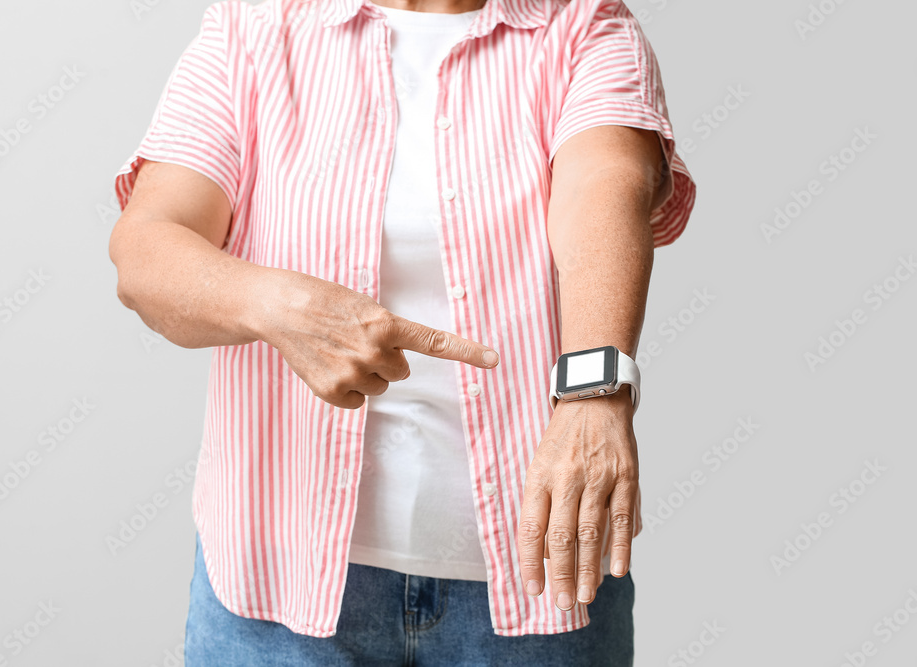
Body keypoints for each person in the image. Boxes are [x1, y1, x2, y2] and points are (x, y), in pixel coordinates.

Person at [108, 0, 695, 663]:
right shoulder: (255, 26)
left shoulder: (584, 25)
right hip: (275, 587)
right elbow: (147, 250)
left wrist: (596, 394)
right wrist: (280, 304)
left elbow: (605, 185)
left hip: (543, 577)